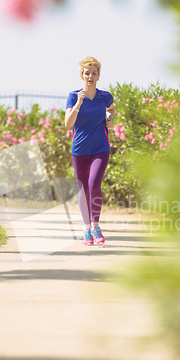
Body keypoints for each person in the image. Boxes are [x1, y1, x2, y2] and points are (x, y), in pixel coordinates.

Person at [65, 56, 115, 245]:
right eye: (87, 73)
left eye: (94, 73)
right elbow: (68, 124)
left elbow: (111, 108)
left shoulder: (105, 96)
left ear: (99, 76)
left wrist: (110, 118)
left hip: (101, 147)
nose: (90, 76)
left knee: (94, 183)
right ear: (82, 75)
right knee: (83, 189)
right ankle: (86, 228)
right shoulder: (73, 96)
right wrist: (78, 103)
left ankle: (96, 225)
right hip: (80, 149)